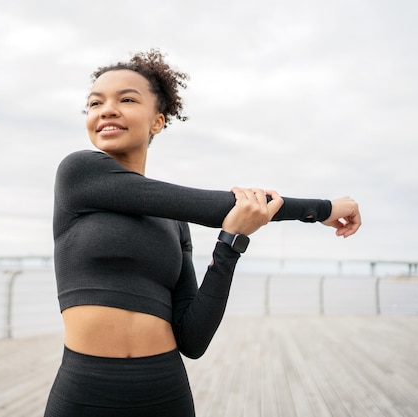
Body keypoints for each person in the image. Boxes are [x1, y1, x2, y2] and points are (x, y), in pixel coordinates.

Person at [44, 49, 361, 417]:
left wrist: (230, 244)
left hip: (165, 391)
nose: (107, 109)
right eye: (95, 102)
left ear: (158, 121)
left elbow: (192, 340)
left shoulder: (173, 222)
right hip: (85, 390)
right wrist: (321, 210)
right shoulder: (78, 173)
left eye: (126, 99)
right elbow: (218, 206)